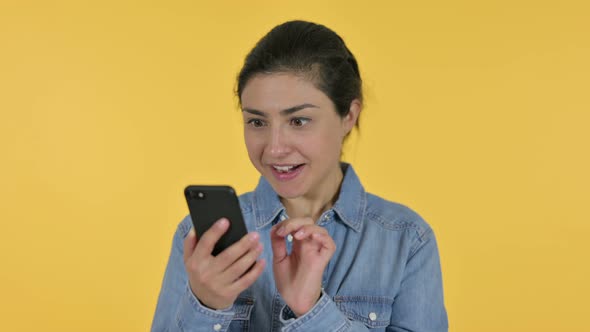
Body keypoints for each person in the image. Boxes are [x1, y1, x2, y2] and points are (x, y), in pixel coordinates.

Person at [151, 20, 448, 332]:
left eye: (299, 121)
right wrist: (207, 305)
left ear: (349, 114)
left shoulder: (406, 240)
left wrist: (313, 310)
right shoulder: (200, 239)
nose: (275, 148)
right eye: (257, 122)